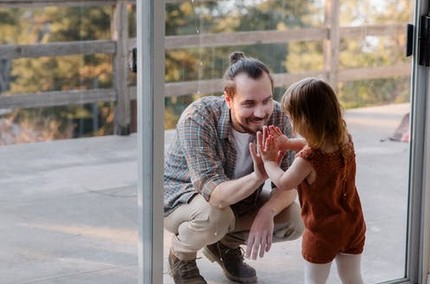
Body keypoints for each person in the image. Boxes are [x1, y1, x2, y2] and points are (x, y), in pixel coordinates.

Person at [164, 51, 304, 284]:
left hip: (236, 201)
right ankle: (181, 255)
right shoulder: (198, 117)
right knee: (216, 215)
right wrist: (258, 176)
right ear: (228, 99)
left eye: (266, 100)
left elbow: (289, 183)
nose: (260, 113)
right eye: (249, 103)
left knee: (294, 220)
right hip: (182, 200)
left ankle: (223, 247)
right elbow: (217, 196)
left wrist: (267, 212)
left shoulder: (278, 115)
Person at [254, 77, 366, 284]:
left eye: (291, 117)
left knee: (314, 282)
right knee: (352, 278)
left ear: (304, 120)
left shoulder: (308, 159)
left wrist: (269, 161)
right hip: (353, 225)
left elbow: (284, 182)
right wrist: (287, 143)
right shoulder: (344, 139)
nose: (290, 121)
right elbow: (316, 141)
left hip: (322, 233)